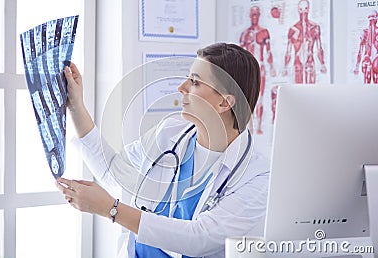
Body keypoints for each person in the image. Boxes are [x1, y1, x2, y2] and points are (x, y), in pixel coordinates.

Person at [56, 43, 270, 258]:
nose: (182, 87)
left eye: (194, 82)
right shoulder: (169, 133)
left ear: (224, 102)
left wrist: (111, 209)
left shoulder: (256, 176)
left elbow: (200, 239)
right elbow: (114, 172)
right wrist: (75, 106)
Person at [239, 6, 276, 135]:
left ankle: (259, 126)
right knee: (247, 98)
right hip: (247, 69)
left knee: (259, 98)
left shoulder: (264, 32)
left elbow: (269, 51)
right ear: (250, 15)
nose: (254, 16)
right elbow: (240, 54)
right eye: (252, 14)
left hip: (260, 67)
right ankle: (250, 126)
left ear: (259, 15)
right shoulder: (244, 34)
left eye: (256, 14)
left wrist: (271, 67)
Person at [282, 0, 327, 84]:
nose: (303, 12)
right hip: (297, 64)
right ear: (298, 10)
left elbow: (319, 48)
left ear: (309, 9)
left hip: (310, 62)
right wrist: (285, 67)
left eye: (305, 9)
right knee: (299, 91)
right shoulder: (292, 29)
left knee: (311, 92)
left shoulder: (315, 28)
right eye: (301, 9)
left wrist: (322, 64)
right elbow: (288, 51)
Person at [353, 10, 378, 84]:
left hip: (376, 59)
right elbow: (360, 50)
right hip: (367, 59)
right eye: (370, 17)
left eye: (373, 17)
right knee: (367, 80)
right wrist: (357, 66)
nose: (372, 20)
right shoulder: (364, 32)